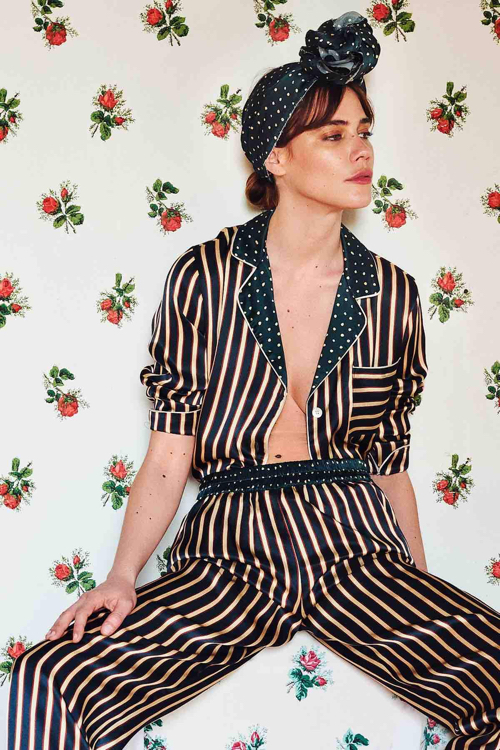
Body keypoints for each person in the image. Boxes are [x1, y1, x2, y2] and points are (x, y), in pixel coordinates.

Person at [8, 11, 500, 750]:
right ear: (276, 157)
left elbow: (389, 462)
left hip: (356, 543)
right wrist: (121, 576)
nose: (361, 150)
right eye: (332, 135)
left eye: (364, 131)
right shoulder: (203, 276)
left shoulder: (394, 295)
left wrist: (419, 589)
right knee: (51, 678)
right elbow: (170, 451)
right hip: (231, 552)